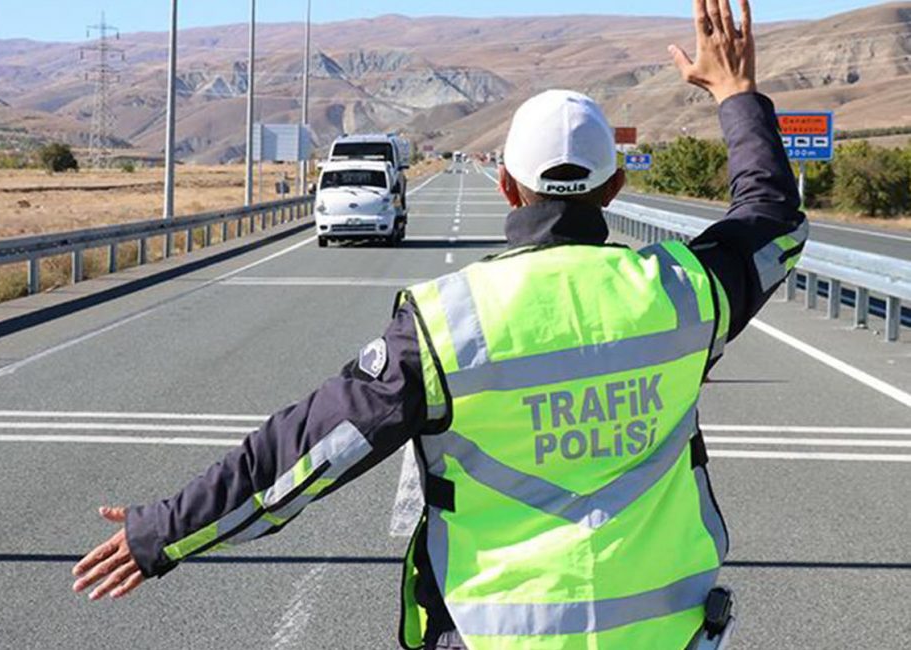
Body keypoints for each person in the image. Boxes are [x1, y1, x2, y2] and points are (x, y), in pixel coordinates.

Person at [72, 0, 807, 647]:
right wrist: (737, 94)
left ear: (505, 184)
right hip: (668, 635)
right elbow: (772, 220)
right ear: (614, 186)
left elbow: (296, 458)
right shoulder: (685, 293)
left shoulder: (447, 325)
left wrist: (162, 532)